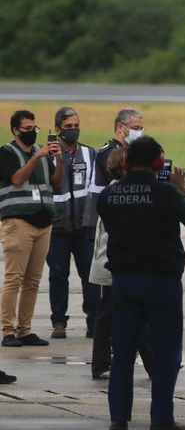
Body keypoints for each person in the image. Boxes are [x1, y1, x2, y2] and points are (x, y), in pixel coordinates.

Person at [97, 136, 185, 430]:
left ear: (127, 162)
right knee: (166, 352)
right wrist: (181, 188)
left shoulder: (109, 195)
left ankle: (119, 417)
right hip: (161, 281)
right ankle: (161, 418)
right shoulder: (166, 193)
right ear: (158, 162)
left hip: (124, 281)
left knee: (123, 354)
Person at [89, 147, 154, 381]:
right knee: (110, 314)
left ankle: (150, 363)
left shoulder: (113, 190)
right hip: (114, 263)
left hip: (112, 262)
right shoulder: (121, 192)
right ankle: (102, 364)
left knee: (117, 313)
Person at [1, 110, 62, 348]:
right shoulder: (6, 153)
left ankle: (24, 329)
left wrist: (59, 159)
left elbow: (56, 182)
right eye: (27, 129)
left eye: (35, 129)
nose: (32, 133)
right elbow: (16, 179)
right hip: (18, 221)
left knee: (33, 281)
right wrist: (36, 158)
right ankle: (8, 329)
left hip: (43, 221)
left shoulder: (42, 153)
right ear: (16, 130)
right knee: (13, 279)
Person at [46, 106, 101, 339]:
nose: (73, 130)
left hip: (84, 225)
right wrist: (57, 159)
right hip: (56, 226)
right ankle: (59, 322)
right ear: (58, 129)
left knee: (90, 275)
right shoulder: (46, 155)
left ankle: (94, 321)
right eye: (68, 127)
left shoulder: (90, 154)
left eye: (76, 126)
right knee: (58, 275)